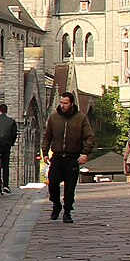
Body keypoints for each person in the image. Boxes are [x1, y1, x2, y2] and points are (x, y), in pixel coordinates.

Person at [42, 90, 93, 224]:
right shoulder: (54, 117)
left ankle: (67, 211)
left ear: (71, 104)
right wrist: (45, 152)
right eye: (61, 103)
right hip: (57, 156)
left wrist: (85, 153)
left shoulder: (80, 118)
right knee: (52, 183)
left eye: (65, 103)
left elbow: (89, 137)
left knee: (70, 188)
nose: (63, 105)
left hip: (72, 157)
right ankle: (56, 205)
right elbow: (47, 136)